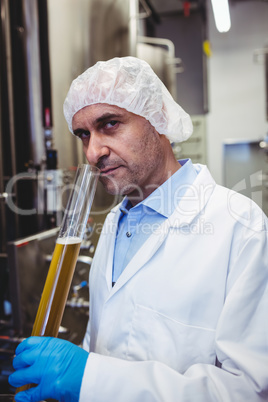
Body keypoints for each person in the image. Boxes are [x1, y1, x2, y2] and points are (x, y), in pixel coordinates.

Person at [9, 57, 268, 402]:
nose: (92, 152)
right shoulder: (118, 221)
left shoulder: (241, 228)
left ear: (158, 117)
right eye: (84, 134)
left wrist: (91, 379)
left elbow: (250, 390)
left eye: (110, 124)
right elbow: (108, 340)